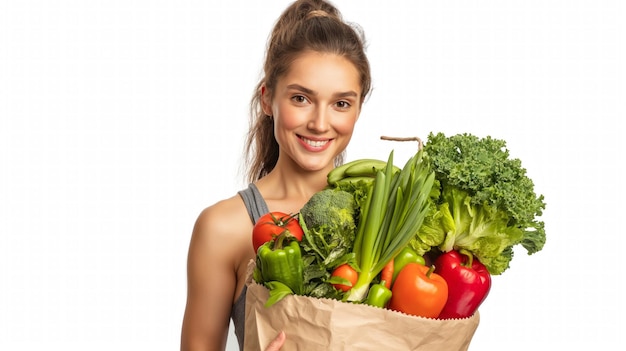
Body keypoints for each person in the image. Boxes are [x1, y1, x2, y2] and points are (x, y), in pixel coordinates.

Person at [180, 0, 371, 349]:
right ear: (268, 99)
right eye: (301, 98)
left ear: (359, 107)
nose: (320, 123)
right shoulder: (223, 228)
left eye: (341, 103)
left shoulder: (383, 213)